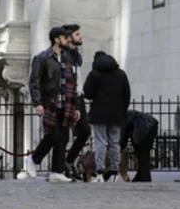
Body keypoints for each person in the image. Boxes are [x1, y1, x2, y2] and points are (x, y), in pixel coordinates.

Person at [26, 27, 80, 183]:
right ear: (57, 39)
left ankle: (57, 171)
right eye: (65, 38)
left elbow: (73, 83)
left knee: (63, 137)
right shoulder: (42, 58)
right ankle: (34, 159)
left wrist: (75, 105)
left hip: (67, 103)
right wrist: (37, 103)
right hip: (50, 102)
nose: (68, 40)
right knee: (52, 135)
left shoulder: (67, 58)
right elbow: (34, 82)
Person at [83, 51, 131, 182]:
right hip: (116, 113)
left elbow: (87, 93)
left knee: (100, 142)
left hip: (99, 113)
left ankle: (99, 171)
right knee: (115, 142)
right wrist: (122, 110)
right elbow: (126, 94)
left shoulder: (94, 74)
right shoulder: (121, 74)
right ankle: (115, 171)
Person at [60, 23, 91, 178]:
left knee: (85, 130)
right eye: (77, 34)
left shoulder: (76, 54)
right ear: (69, 38)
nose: (81, 37)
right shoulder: (63, 56)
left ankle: (69, 161)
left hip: (78, 96)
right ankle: (60, 167)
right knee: (62, 135)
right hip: (67, 97)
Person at [121, 110, 158, 182]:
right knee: (144, 153)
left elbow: (123, 135)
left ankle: (145, 177)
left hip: (143, 128)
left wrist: (121, 148)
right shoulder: (127, 115)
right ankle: (140, 175)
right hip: (151, 125)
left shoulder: (122, 119)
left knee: (142, 153)